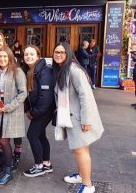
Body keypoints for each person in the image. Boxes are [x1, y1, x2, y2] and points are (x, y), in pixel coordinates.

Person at [52, 42, 104, 193]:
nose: (59, 55)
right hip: (70, 117)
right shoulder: (63, 70)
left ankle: (88, 185)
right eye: (56, 52)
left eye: (62, 52)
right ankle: (81, 176)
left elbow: (86, 97)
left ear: (68, 54)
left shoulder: (74, 71)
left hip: (79, 119)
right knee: (79, 150)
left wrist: (87, 120)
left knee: (81, 151)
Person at [0, 32, 22, 170]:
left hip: (11, 98)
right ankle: (2, 153)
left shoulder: (10, 57)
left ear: (4, 43)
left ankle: (17, 152)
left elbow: (20, 84)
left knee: (14, 128)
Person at [0, 46, 27, 187]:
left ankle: (8, 172)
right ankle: (9, 163)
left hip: (13, 111)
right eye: (0, 56)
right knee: (1, 140)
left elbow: (23, 93)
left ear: (10, 57)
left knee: (4, 141)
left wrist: (9, 107)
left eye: (5, 56)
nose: (2, 59)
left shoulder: (17, 71)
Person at [22, 45, 55, 177]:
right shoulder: (31, 70)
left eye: (31, 54)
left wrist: (33, 112)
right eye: (26, 54)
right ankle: (46, 163)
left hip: (43, 110)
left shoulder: (44, 71)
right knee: (41, 135)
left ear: (38, 56)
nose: (28, 57)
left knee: (32, 135)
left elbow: (45, 97)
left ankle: (38, 166)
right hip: (40, 110)